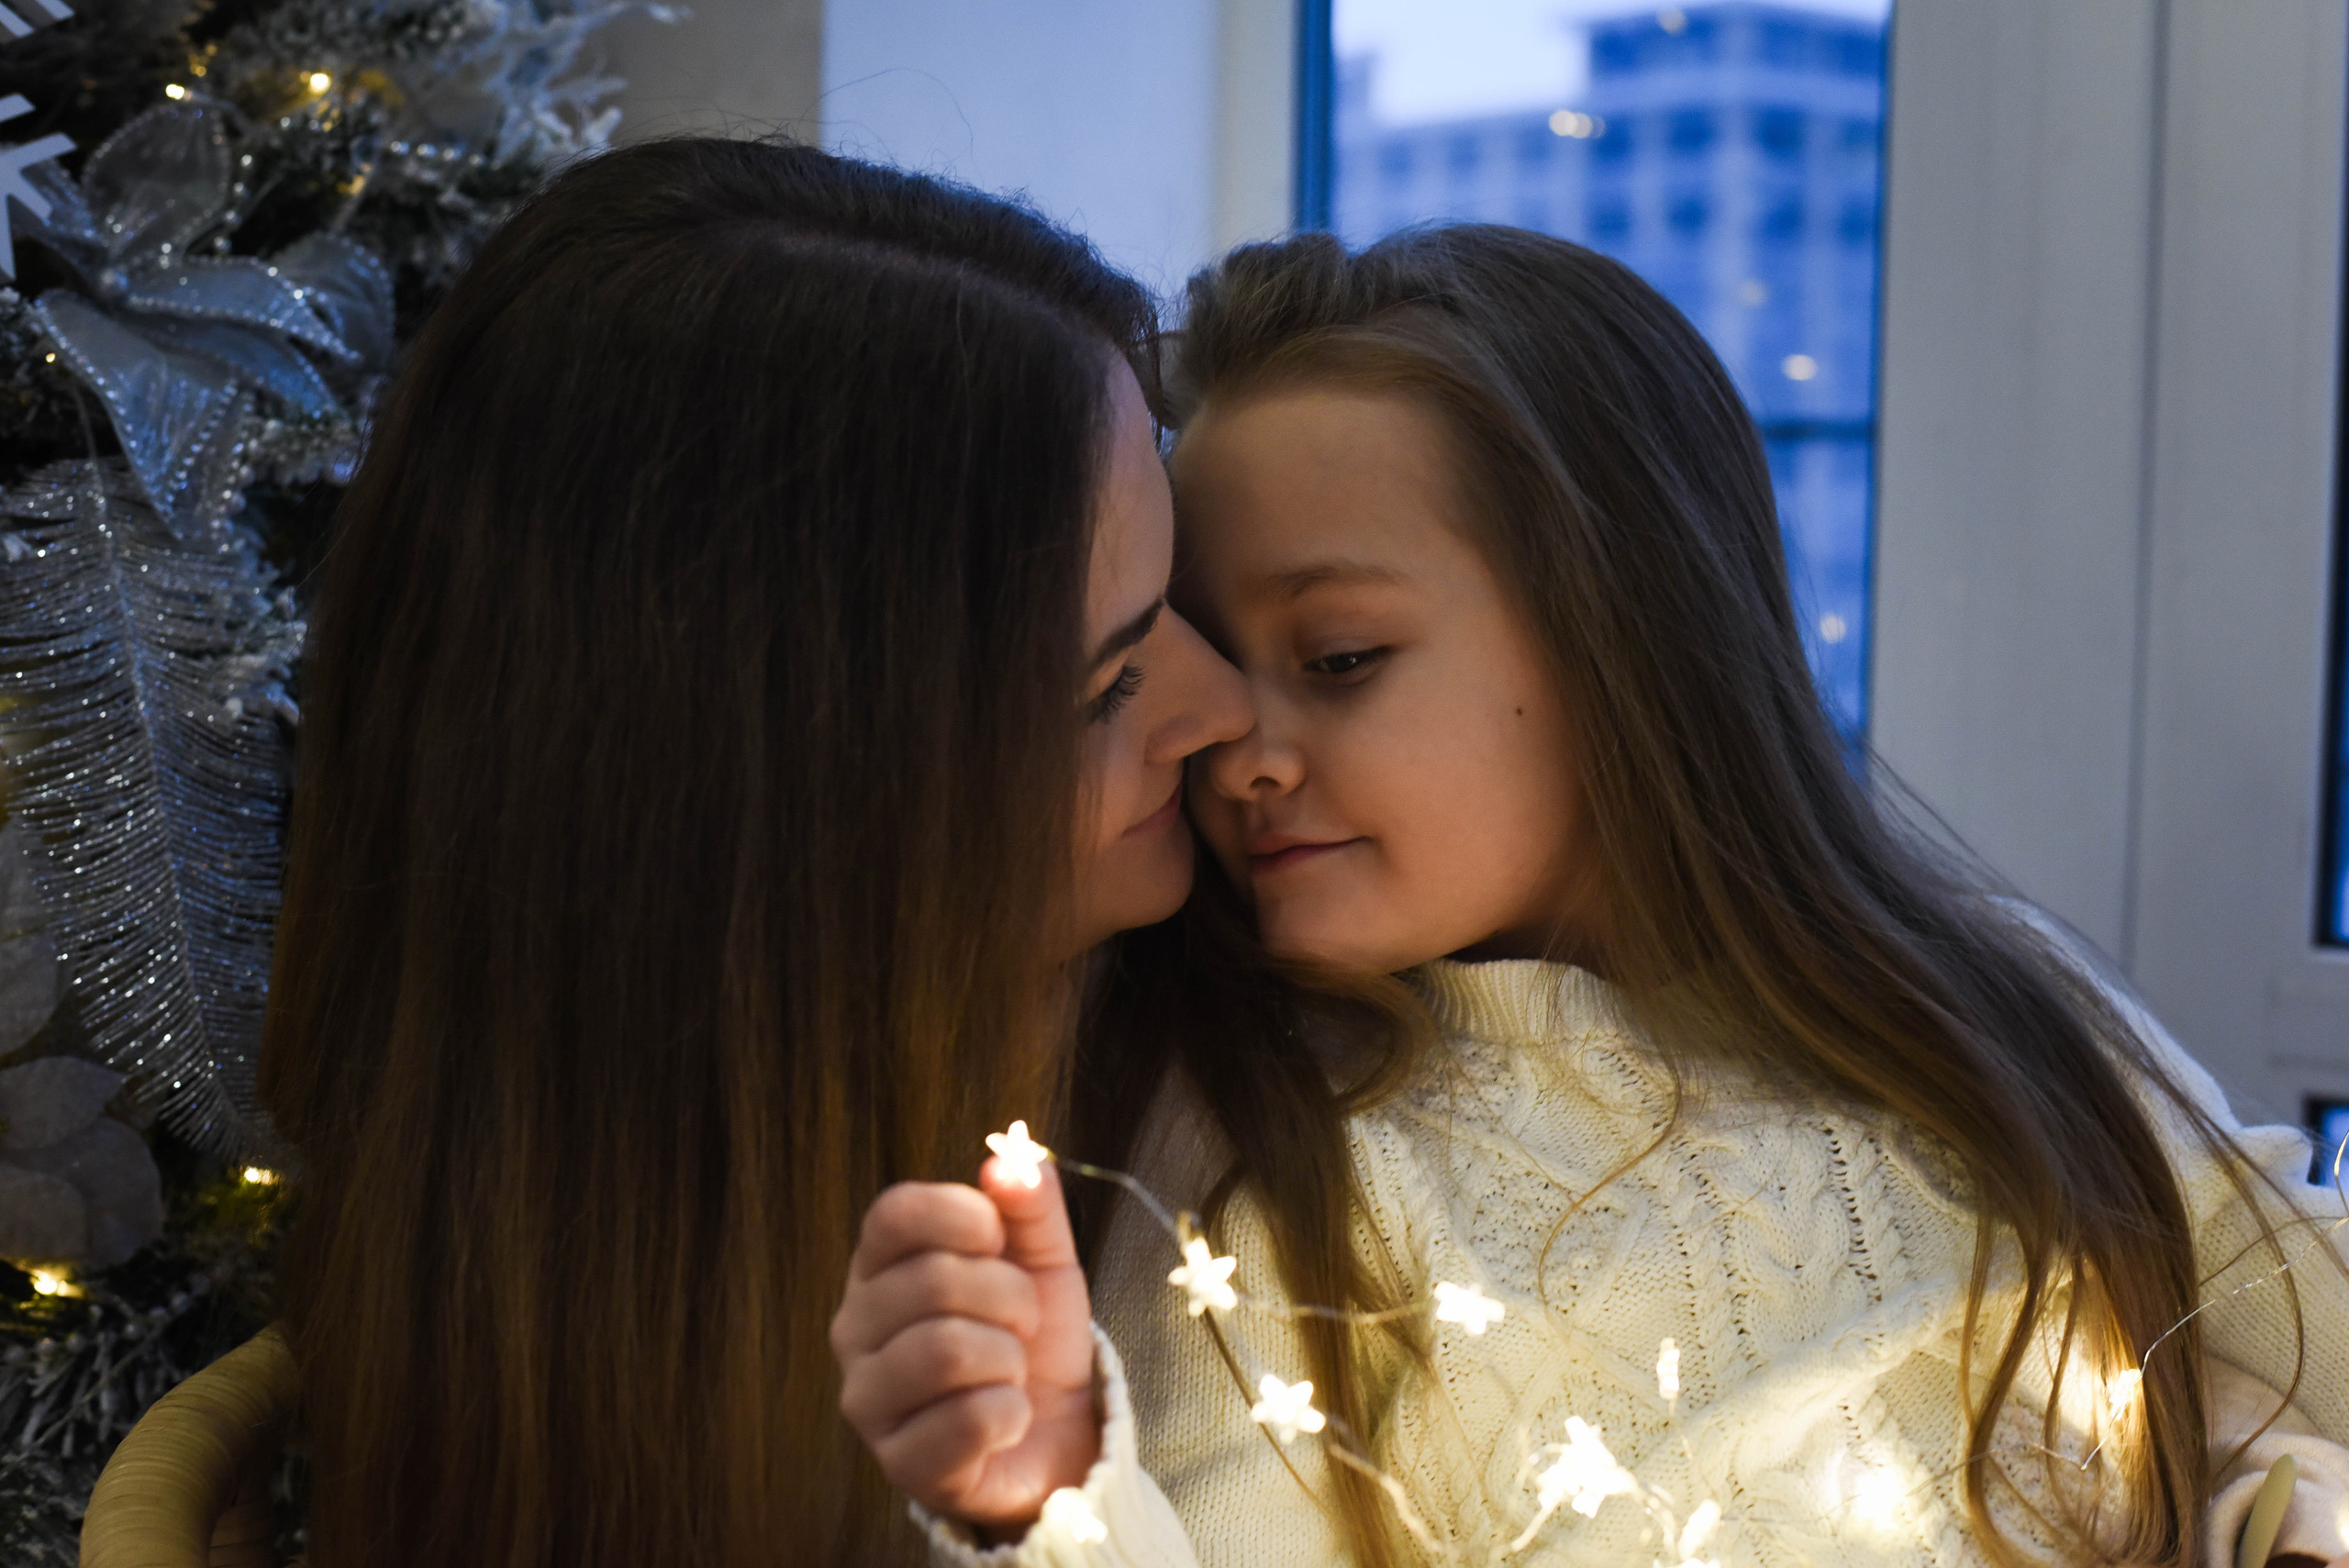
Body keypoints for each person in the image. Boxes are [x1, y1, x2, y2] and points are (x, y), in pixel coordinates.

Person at [836, 228, 2349, 1566]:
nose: (1237, 737)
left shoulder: (1987, 1005)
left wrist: (2283, 1496)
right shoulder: (1255, 1152)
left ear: (1625, 638)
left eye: (1341, 657)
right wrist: (1054, 1503)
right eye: (1216, 654)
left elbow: (2301, 1337)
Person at [76, 137, 1250, 1568]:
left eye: (1173, 589)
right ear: (795, 821)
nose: (1228, 704)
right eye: (1107, 686)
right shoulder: (576, 1318)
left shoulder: (1275, 1176)